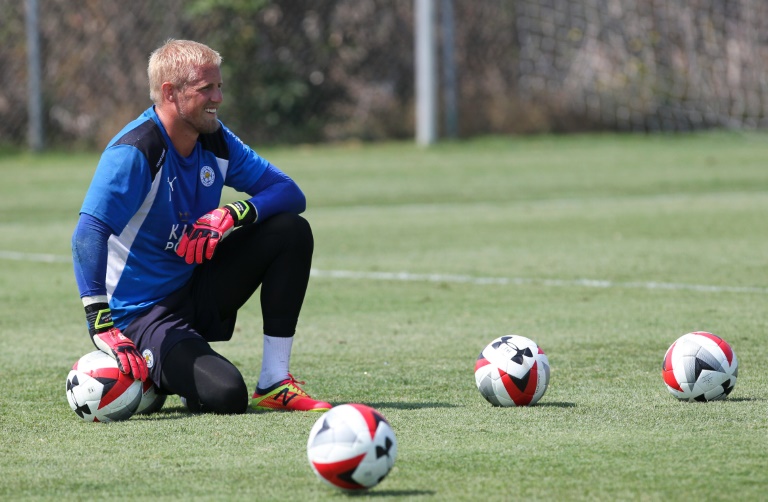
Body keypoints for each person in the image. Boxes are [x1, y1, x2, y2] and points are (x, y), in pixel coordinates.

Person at [71, 39, 331, 414]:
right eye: (205, 88)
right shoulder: (136, 151)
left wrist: (233, 213)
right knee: (225, 394)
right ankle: (150, 370)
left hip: (196, 286)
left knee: (290, 230)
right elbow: (87, 234)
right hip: (145, 314)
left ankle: (274, 381)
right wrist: (101, 324)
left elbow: (289, 192)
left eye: (219, 86)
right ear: (170, 93)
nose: (218, 97)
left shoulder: (216, 140)